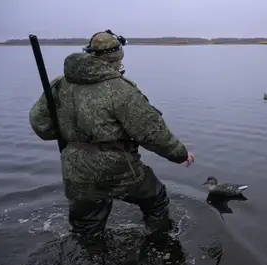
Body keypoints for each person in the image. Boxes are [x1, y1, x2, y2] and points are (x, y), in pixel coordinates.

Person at [29, 30, 195, 237]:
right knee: (156, 198)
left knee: (85, 229)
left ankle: (88, 260)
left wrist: (73, 136)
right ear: (117, 58)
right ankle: (161, 244)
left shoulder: (59, 83)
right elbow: (152, 133)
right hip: (117, 168)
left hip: (75, 167)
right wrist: (180, 154)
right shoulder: (121, 89)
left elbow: (41, 125)